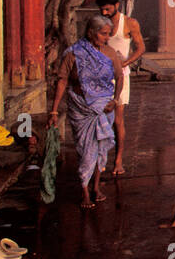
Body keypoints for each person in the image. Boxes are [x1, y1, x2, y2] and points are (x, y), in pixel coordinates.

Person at [48, 15, 124, 209]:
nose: (106, 38)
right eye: (103, 34)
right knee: (85, 150)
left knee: (100, 149)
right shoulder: (73, 53)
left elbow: (119, 76)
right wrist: (54, 111)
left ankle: (96, 187)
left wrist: (115, 100)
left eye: (108, 34)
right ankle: (84, 189)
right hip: (81, 108)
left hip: (104, 108)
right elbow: (63, 80)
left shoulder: (110, 53)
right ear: (91, 33)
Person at [95, 0, 145, 175]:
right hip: (100, 76)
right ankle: (100, 160)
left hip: (121, 76)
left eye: (108, 9)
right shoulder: (99, 23)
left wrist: (124, 63)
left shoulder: (129, 23)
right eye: (102, 10)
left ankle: (118, 161)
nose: (104, 13)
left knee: (118, 120)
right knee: (98, 119)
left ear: (117, 5)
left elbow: (140, 48)